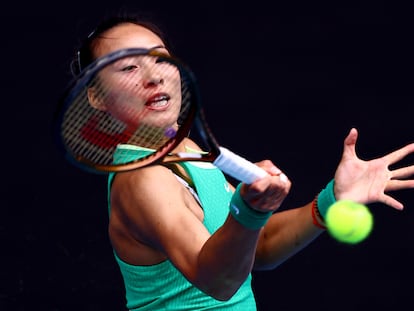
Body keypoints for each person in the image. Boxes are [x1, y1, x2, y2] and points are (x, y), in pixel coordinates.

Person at [70, 14, 414, 310]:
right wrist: (249, 211)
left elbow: (256, 248)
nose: (154, 75)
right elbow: (218, 281)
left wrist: (330, 200)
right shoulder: (143, 180)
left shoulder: (186, 149)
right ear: (97, 95)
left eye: (161, 59)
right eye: (129, 66)